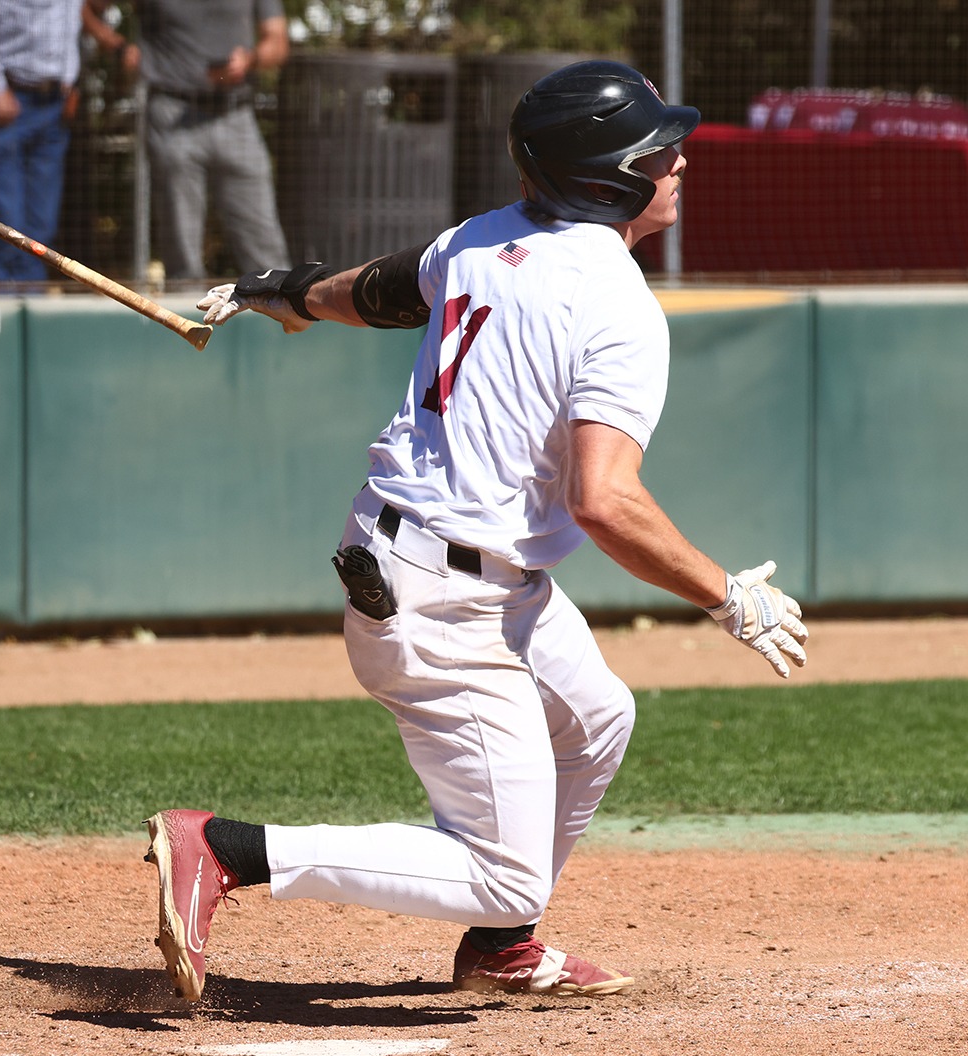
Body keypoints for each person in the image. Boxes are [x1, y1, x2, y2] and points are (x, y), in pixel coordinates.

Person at [140, 61, 809, 1004]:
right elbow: (604, 501)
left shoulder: (483, 238)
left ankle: (499, 948)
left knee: (598, 721)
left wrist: (283, 290)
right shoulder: (615, 301)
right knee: (504, 873)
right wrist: (726, 596)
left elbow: (379, 289)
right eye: (659, 152)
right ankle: (225, 848)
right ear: (610, 179)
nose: (680, 162)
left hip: (450, 566)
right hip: (446, 594)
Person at [83, 0, 289, 282]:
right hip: (172, 112)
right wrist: (119, 47)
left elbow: (278, 42)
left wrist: (250, 60)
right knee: (182, 257)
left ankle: (280, 304)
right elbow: (83, 7)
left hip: (236, 115)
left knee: (265, 245)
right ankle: (187, 310)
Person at [0, 0, 85, 283]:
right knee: (6, 221)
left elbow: (71, 19)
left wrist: (71, 80)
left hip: (55, 103)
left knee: (42, 225)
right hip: (11, 98)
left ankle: (31, 300)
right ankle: (2, 304)